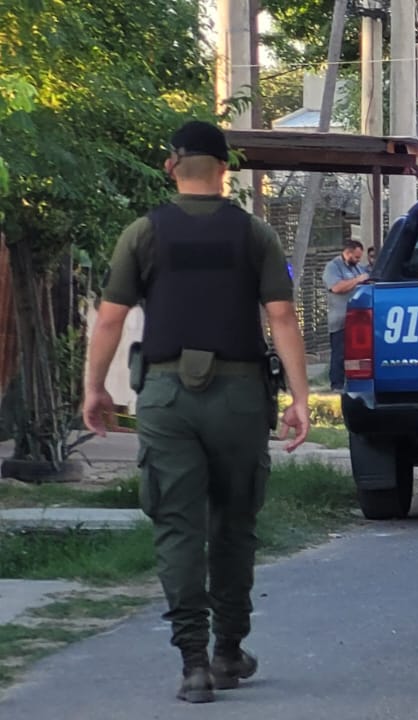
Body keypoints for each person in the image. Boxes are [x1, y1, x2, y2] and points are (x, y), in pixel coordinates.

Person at [81, 120, 312, 704]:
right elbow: (281, 317)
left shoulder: (144, 233)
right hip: (238, 398)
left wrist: (95, 389)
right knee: (234, 526)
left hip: (166, 399)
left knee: (178, 526)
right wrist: (302, 399)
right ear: (225, 169)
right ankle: (229, 650)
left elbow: (110, 318)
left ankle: (192, 664)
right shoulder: (255, 234)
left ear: (171, 167)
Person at [323, 240, 369, 391]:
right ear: (347, 253)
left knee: (356, 354)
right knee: (339, 353)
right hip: (340, 319)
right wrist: (357, 280)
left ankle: (354, 382)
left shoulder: (357, 268)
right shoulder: (333, 267)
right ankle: (336, 385)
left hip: (358, 320)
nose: (357, 260)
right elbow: (336, 287)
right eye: (355, 257)